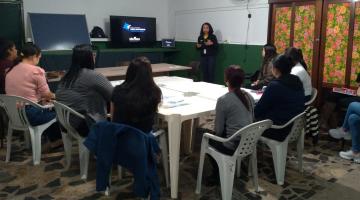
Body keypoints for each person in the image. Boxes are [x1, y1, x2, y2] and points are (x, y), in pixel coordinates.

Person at [5, 43, 62, 149]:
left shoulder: (10, 70)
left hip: (15, 115)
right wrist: (59, 96)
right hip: (31, 115)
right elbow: (47, 94)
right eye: (39, 57)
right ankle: (56, 141)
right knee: (60, 113)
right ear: (34, 56)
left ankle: (54, 140)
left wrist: (41, 98)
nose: (38, 60)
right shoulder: (36, 71)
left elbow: (25, 92)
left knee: (48, 107)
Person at [206, 65, 255, 185]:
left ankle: (217, 174)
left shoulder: (223, 100)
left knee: (207, 138)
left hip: (233, 145)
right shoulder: (249, 96)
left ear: (226, 80)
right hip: (249, 141)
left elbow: (218, 131)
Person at [56, 44, 114, 137]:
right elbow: (114, 95)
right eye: (93, 55)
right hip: (84, 124)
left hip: (64, 122)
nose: (95, 57)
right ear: (89, 58)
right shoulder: (93, 76)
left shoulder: (67, 75)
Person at [255, 54, 305, 141]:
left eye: (272, 67)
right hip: (294, 126)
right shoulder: (297, 80)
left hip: (277, 129)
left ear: (276, 69)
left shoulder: (275, 85)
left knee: (248, 120)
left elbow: (258, 110)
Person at [111, 57, 162, 133]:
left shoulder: (117, 90)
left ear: (129, 72)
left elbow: (113, 117)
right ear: (149, 73)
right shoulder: (154, 92)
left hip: (119, 137)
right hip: (143, 139)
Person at [0, 38, 18, 147]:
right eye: (15, 48)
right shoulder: (9, 65)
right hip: (10, 101)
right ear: (9, 50)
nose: (17, 50)